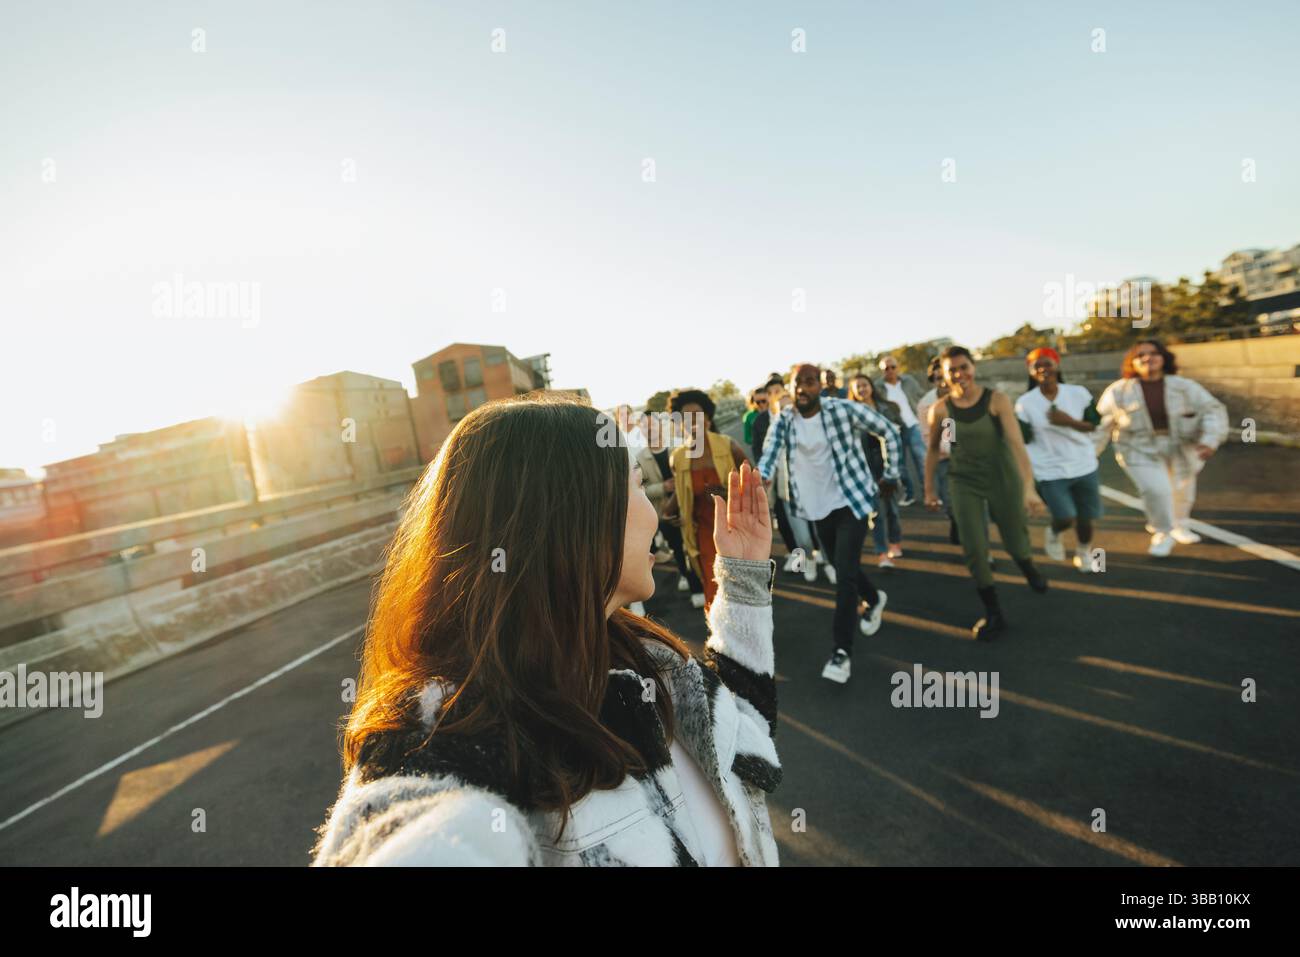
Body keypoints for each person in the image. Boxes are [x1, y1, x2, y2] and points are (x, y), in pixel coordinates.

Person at [312, 396, 781, 867]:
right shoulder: (451, 734)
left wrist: (741, 581)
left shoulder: (647, 662)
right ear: (574, 515)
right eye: (638, 486)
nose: (655, 512)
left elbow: (744, 734)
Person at [757, 363, 900, 684]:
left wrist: (890, 473)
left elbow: (888, 430)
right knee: (837, 562)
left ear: (820, 386)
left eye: (810, 382)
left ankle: (841, 652)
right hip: (816, 506)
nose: (803, 388)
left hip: (851, 500)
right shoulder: (784, 420)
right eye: (798, 384)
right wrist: (763, 477)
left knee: (845, 576)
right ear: (791, 388)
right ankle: (875, 598)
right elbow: (769, 453)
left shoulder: (843, 410)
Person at [923, 346, 1049, 640]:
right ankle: (994, 613)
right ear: (943, 374)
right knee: (974, 547)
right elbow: (935, 450)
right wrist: (929, 489)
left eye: (963, 366)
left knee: (1015, 541)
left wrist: (1029, 488)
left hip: (1001, 476)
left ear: (973, 367)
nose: (959, 374)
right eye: (952, 369)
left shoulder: (997, 401)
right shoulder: (941, 409)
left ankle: (1027, 566)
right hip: (964, 479)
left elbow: (1017, 445)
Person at [1094, 339, 1228, 558]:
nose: (1147, 358)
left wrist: (1209, 440)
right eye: (1140, 355)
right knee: (1157, 490)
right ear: (1132, 363)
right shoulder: (1118, 392)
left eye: (1153, 353)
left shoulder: (1185, 387)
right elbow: (1101, 426)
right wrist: (1089, 454)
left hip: (1181, 447)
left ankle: (1180, 525)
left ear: (1164, 358)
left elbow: (1212, 410)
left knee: (1183, 490)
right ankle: (1162, 533)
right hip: (1137, 449)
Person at [1014, 348, 1104, 572]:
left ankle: (1083, 552)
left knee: (1086, 519)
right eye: (1037, 365)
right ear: (1031, 371)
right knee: (1065, 516)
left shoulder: (1078, 393)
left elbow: (1094, 424)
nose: (1043, 368)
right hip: (1049, 469)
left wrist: (1067, 421)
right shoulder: (1025, 403)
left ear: (1057, 365)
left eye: (1047, 363)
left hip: (1083, 464)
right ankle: (1054, 533)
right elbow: (1022, 439)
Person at [666, 389, 751, 612]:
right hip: (703, 534)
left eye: (698, 414)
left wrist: (729, 493)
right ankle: (721, 641)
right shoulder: (678, 457)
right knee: (714, 590)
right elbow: (680, 490)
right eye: (686, 417)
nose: (693, 421)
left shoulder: (729, 445)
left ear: (708, 418)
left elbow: (753, 481)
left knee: (741, 589)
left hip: (736, 528)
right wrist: (670, 513)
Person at [635, 411, 704, 600]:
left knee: (695, 544)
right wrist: (663, 487)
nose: (650, 429)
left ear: (661, 426)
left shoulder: (678, 448)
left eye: (653, 425)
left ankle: (699, 582)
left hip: (689, 506)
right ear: (640, 430)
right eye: (645, 426)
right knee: (678, 548)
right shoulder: (639, 458)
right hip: (664, 513)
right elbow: (640, 490)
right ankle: (690, 581)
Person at [848, 373, 904, 568]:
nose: (862, 389)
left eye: (864, 385)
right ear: (853, 392)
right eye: (858, 387)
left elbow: (898, 432)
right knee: (876, 513)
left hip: (887, 465)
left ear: (871, 386)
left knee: (892, 509)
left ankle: (895, 542)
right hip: (866, 467)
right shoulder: (851, 413)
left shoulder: (886, 408)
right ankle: (882, 553)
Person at [874, 355, 928, 506]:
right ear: (882, 371)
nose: (890, 371)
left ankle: (928, 494)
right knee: (901, 466)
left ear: (897, 368)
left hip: (914, 425)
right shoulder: (878, 387)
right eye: (886, 368)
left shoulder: (908, 381)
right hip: (896, 429)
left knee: (922, 461)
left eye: (893, 367)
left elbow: (922, 396)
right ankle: (909, 494)